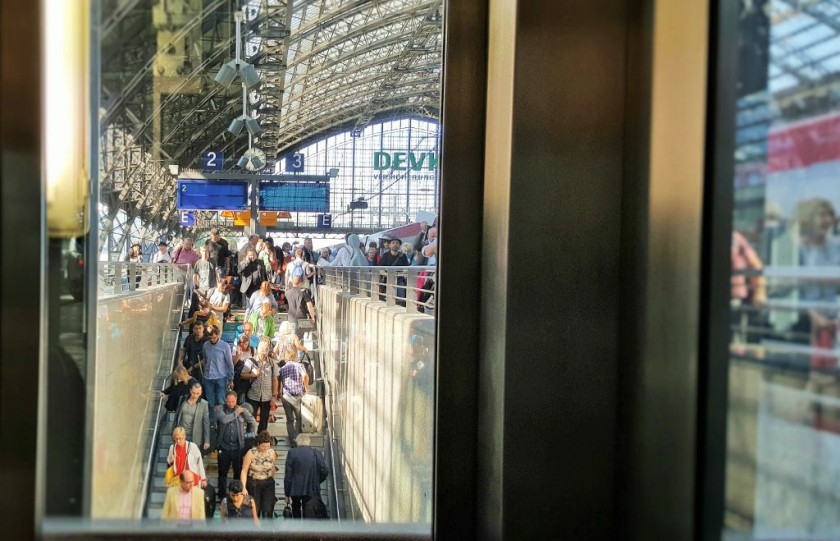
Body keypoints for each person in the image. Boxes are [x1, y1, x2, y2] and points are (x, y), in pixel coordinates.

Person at [214, 391, 257, 496]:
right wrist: (236, 413)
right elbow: (224, 420)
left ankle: (236, 493)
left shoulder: (241, 409)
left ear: (236, 400)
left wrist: (250, 435)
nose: (231, 404)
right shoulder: (220, 409)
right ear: (225, 400)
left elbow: (253, 421)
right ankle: (222, 495)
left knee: (237, 473)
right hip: (224, 447)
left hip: (238, 447)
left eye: (233, 401)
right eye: (229, 402)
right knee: (222, 473)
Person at [284, 434, 329, 518]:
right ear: (308, 442)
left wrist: (287, 493)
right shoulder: (316, 452)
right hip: (311, 488)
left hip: (295, 488)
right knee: (308, 511)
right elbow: (325, 470)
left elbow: (288, 475)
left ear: (297, 442)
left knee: (295, 507)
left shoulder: (291, 453)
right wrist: (317, 481)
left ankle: (297, 527)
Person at [278, 334, 310, 446]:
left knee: (289, 419)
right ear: (295, 356)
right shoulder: (298, 365)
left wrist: (278, 393)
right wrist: (306, 387)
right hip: (297, 395)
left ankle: (291, 440)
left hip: (286, 396)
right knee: (299, 419)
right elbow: (305, 375)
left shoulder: (283, 368)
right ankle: (297, 438)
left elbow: (279, 381)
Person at [240, 430, 278, 519]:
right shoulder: (251, 453)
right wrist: (243, 487)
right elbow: (244, 470)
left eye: (268, 446)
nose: (265, 448)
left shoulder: (272, 452)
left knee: (268, 508)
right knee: (255, 509)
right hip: (254, 482)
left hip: (268, 482)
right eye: (263, 446)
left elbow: (273, 466)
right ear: (258, 444)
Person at [246, 338, 279, 434]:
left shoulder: (272, 363)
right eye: (262, 354)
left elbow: (275, 380)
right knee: (251, 419)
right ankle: (250, 438)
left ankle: (261, 439)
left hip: (266, 396)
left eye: (265, 353)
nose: (263, 356)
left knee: (264, 420)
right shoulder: (251, 361)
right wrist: (253, 375)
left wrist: (274, 396)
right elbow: (242, 375)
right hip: (253, 395)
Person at [202, 324, 234, 409]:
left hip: (221, 377)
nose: (212, 340)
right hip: (208, 377)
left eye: (214, 337)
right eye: (210, 338)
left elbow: (229, 363)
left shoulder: (225, 346)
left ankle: (221, 421)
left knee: (220, 401)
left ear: (218, 335)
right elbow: (205, 359)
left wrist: (230, 379)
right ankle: (212, 422)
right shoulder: (206, 345)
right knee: (210, 403)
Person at [174, 381, 211, 453]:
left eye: (198, 393)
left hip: (194, 435)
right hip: (181, 434)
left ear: (201, 392)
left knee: (192, 458)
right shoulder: (183, 399)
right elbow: (177, 416)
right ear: (190, 390)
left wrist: (207, 440)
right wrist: (173, 431)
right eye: (193, 393)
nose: (195, 396)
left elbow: (206, 422)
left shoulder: (204, 404)